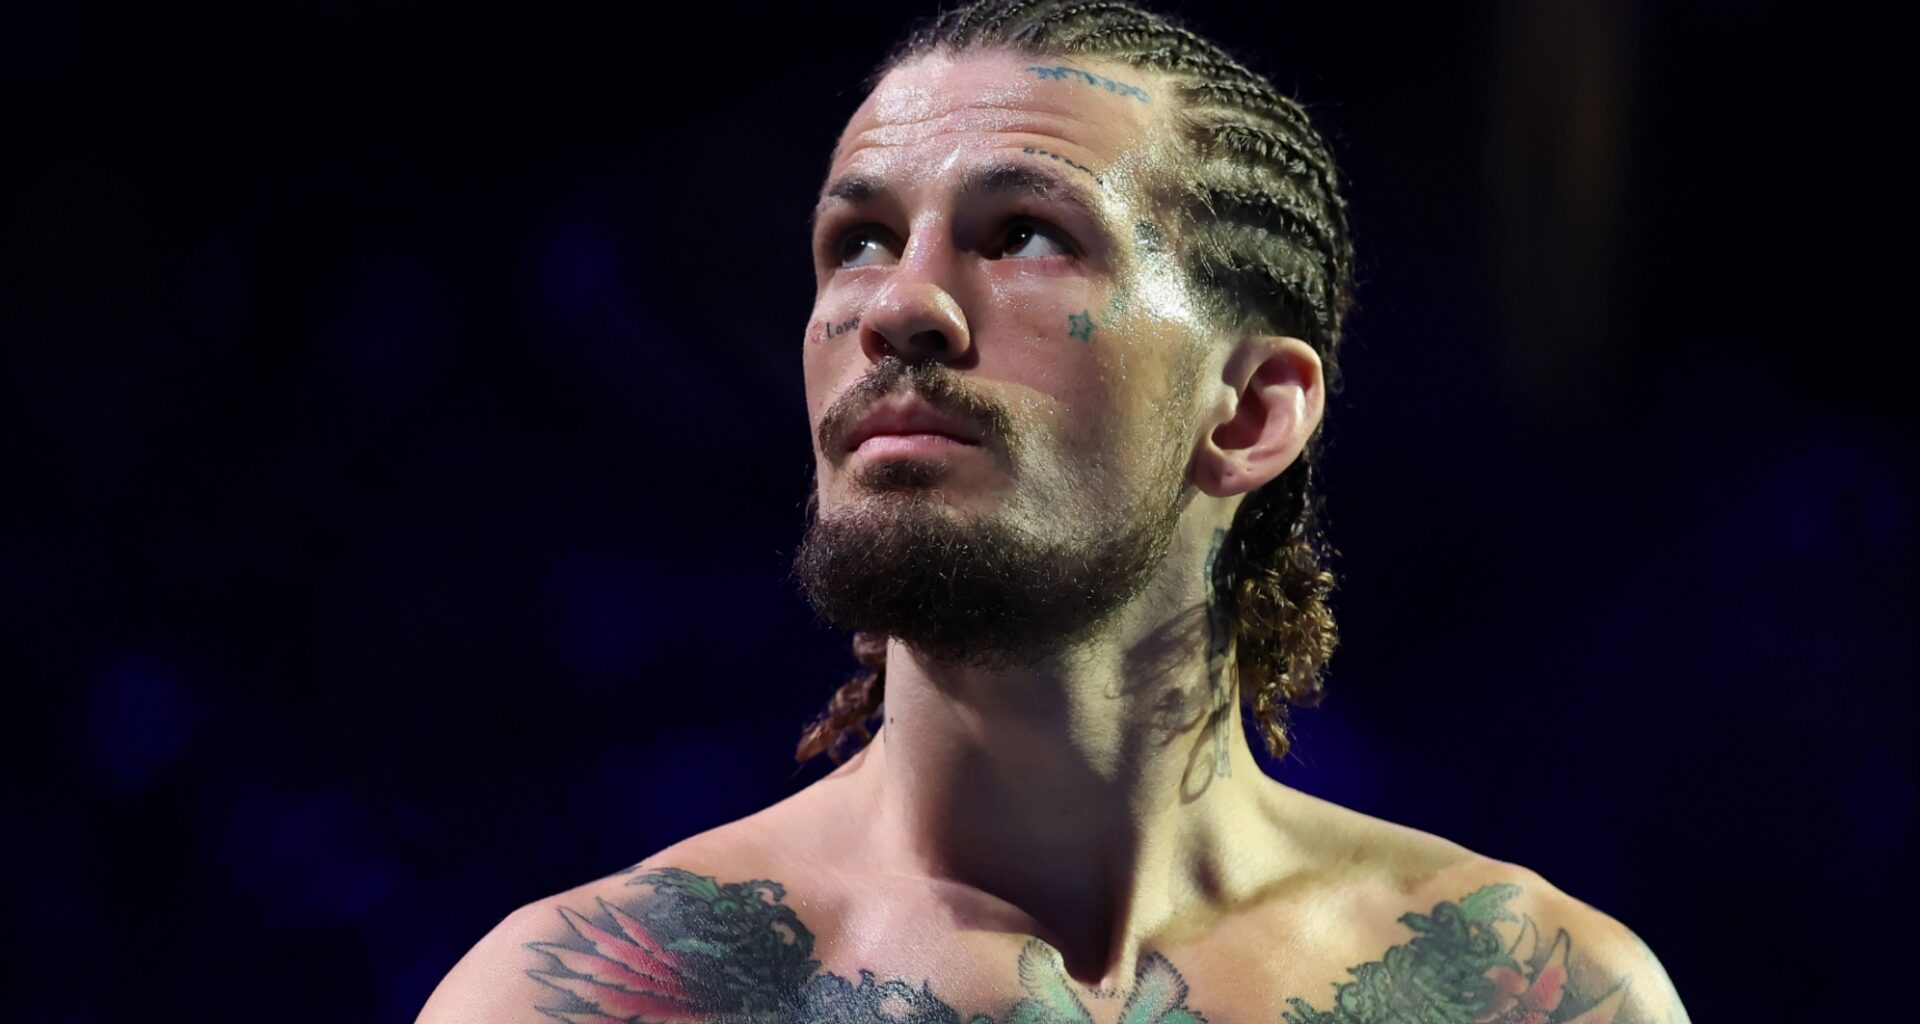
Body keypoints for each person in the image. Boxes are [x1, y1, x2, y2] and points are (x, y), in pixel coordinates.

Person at [419, 2, 1690, 1021]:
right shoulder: (577, 999)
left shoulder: (1533, 995)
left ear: (1250, 411)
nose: (897, 306)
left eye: (1025, 233)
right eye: (858, 240)